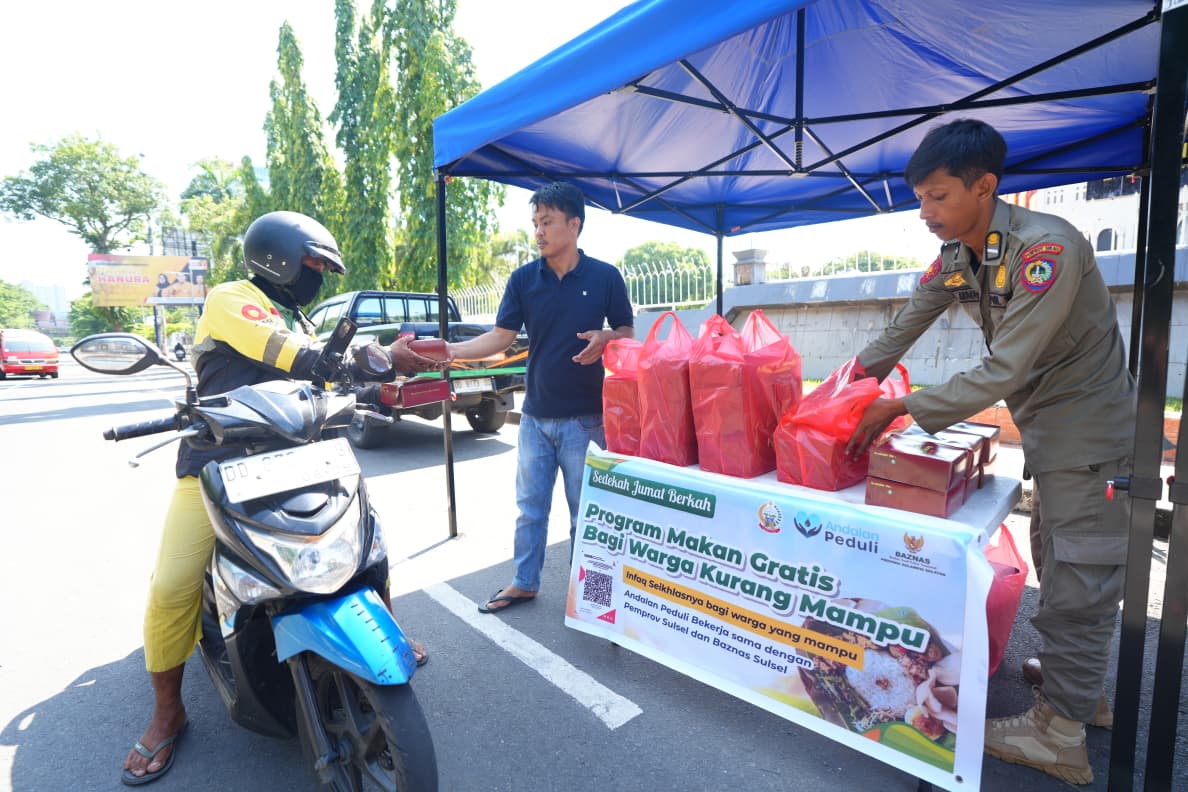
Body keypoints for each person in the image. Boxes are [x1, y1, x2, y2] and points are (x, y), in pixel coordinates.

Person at [843, 119, 1135, 786]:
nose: (926, 213)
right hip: (1054, 432)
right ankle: (1075, 688)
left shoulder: (1046, 250)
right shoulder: (960, 259)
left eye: (938, 197)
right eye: (920, 199)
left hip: (1089, 435)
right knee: (1056, 561)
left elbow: (1002, 371)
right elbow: (903, 326)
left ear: (985, 187)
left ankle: (1060, 734)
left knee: (1078, 580)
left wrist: (899, 407)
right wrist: (845, 386)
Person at [121, 211, 443, 785]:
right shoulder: (231, 298)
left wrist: (390, 363)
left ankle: (377, 634)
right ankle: (167, 712)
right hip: (219, 464)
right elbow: (293, 355)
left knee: (368, 545)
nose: (318, 276)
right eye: (315, 265)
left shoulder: (295, 313)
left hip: (298, 455)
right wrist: (350, 359)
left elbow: (326, 372)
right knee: (171, 586)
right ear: (280, 258)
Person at [446, 182, 634, 615]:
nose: (539, 232)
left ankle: (590, 595)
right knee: (530, 510)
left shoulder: (605, 277)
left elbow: (627, 331)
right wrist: (452, 353)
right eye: (535, 223)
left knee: (585, 514)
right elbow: (499, 337)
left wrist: (608, 337)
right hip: (534, 418)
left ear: (575, 224)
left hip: (586, 420)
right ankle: (524, 582)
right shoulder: (523, 280)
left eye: (547, 222)